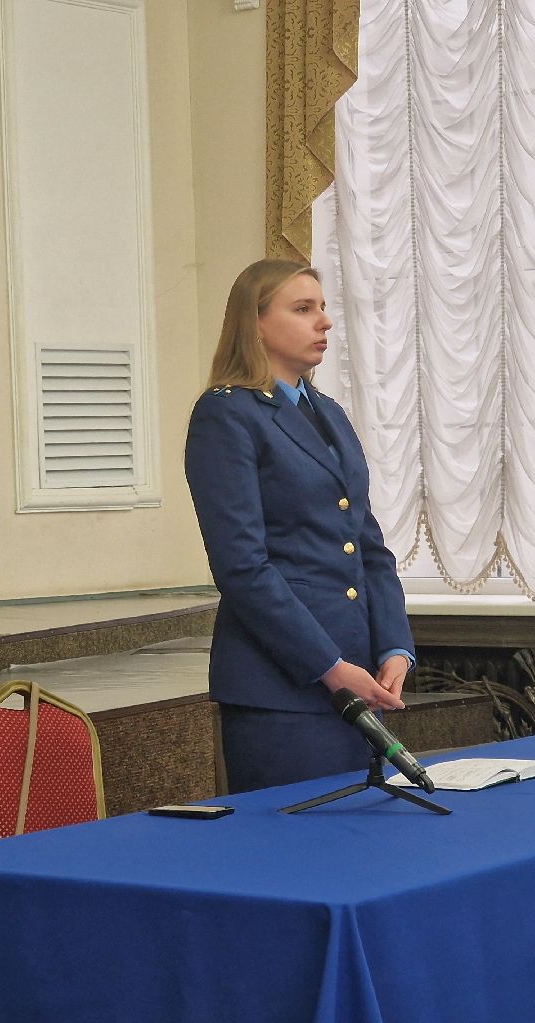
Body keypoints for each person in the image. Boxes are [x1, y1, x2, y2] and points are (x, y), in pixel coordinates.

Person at [185, 259, 416, 793]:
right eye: (303, 309)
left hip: (359, 678)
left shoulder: (327, 411)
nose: (324, 321)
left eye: (323, 307)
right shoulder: (226, 414)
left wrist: (394, 647)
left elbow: (368, 545)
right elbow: (242, 567)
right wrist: (329, 666)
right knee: (299, 836)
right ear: (256, 323)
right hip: (282, 688)